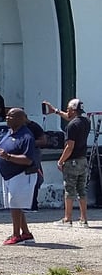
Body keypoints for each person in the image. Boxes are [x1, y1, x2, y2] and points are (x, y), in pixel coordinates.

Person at [0, 107, 37, 245]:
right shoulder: (9, 133)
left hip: (21, 175)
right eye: (7, 115)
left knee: (15, 204)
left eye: (11, 116)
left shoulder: (26, 136)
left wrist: (7, 157)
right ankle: (26, 234)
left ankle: (16, 236)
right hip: (8, 175)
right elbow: (4, 152)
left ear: (21, 119)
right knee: (16, 205)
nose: (7, 118)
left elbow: (28, 159)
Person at [42, 97, 91, 226]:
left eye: (68, 109)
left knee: (69, 190)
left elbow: (69, 146)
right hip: (83, 159)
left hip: (72, 161)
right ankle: (83, 219)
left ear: (73, 110)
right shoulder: (85, 121)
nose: (67, 111)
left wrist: (61, 161)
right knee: (82, 190)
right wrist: (56, 111)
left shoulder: (72, 126)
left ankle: (67, 219)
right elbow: (70, 117)